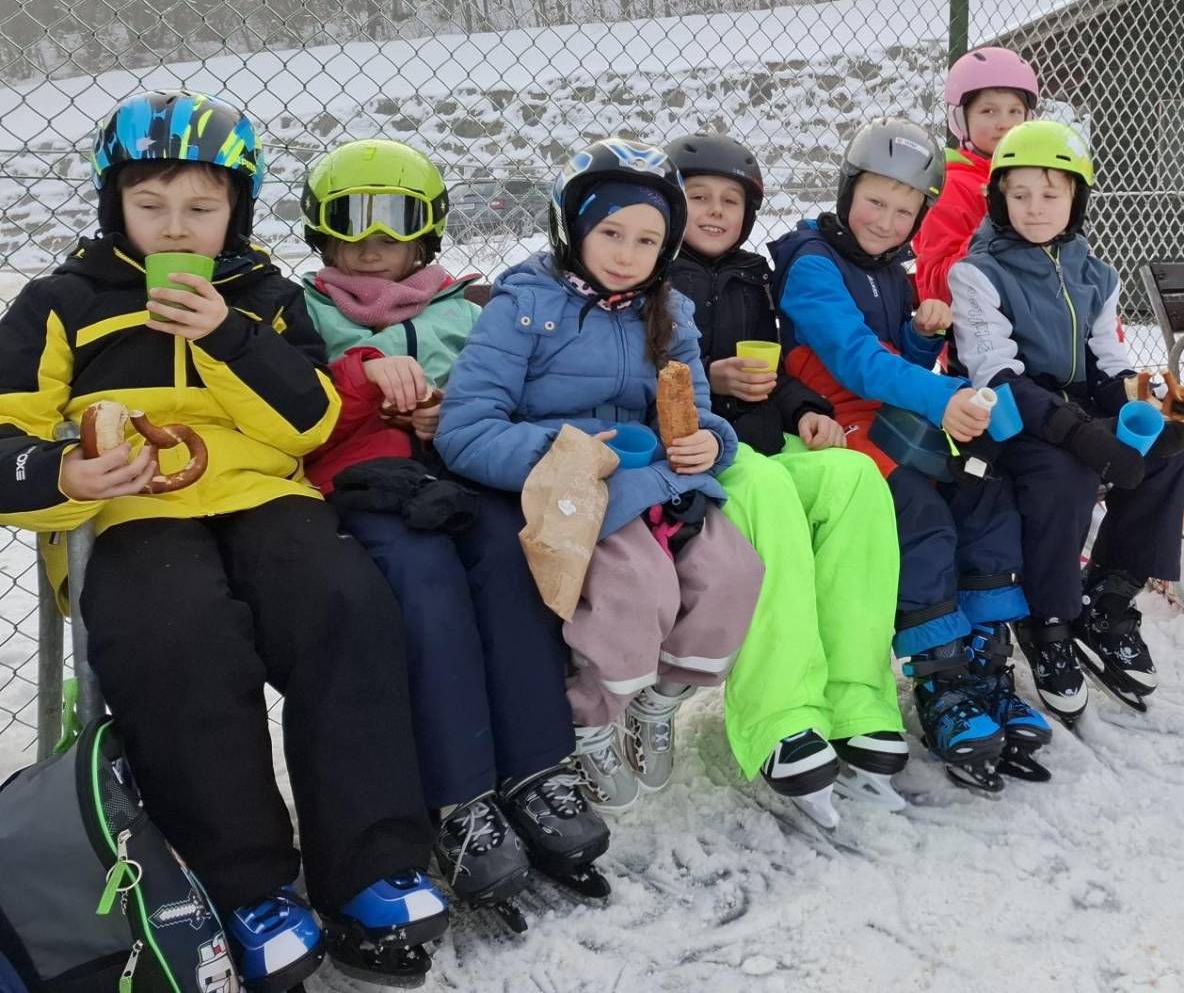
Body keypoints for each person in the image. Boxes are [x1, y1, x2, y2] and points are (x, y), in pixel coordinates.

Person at [0, 90, 445, 992]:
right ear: (114, 204)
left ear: (235, 211)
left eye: (201, 208)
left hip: (260, 495)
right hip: (130, 512)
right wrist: (65, 474)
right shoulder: (61, 302)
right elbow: (5, 435)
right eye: (151, 204)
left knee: (344, 605)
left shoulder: (265, 300)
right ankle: (244, 886)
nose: (176, 228)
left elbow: (310, 421)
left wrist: (229, 335)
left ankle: (370, 864)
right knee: (178, 637)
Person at [302, 138, 607, 908]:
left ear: (428, 230)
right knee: (426, 582)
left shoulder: (466, 307)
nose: (373, 241)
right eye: (352, 220)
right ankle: (458, 795)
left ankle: (535, 766)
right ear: (320, 229)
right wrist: (366, 394)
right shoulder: (304, 314)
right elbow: (294, 413)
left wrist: (460, 413)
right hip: (370, 485)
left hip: (462, 476)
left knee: (509, 562)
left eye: (396, 220)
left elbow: (512, 390)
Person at [436, 140, 765, 813]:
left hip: (655, 482)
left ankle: (657, 703)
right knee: (636, 589)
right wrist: (564, 452)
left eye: (647, 241)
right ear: (573, 229)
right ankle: (589, 720)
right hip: (572, 490)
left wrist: (709, 442)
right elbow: (465, 430)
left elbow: (696, 411)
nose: (626, 255)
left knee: (734, 573)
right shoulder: (524, 307)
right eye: (611, 233)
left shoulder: (668, 314)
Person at [770, 119, 1029, 794]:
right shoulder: (811, 264)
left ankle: (985, 664)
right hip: (836, 424)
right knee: (919, 512)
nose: (886, 221)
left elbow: (892, 357)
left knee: (983, 489)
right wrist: (944, 394)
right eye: (875, 202)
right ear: (847, 192)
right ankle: (939, 678)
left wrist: (918, 336)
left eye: (904, 211)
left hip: (893, 414)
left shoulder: (889, 268)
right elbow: (854, 362)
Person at [665, 131, 909, 823]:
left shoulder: (752, 277)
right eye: (698, 197)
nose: (715, 211)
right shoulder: (652, 272)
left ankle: (856, 698)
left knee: (854, 479)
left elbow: (774, 371)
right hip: (694, 453)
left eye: (730, 201)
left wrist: (806, 410)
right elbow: (629, 370)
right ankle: (781, 716)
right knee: (769, 492)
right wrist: (708, 379)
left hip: (761, 438)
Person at [949, 118, 1184, 725]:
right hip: (1011, 421)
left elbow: (1107, 360)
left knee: (1171, 447)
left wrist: (1141, 398)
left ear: (1075, 200)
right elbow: (995, 374)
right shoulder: (978, 272)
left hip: (1076, 409)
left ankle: (1109, 595)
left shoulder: (1095, 273)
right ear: (1000, 199)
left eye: (1050, 194)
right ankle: (1049, 619)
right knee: (1065, 473)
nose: (1035, 208)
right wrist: (1081, 435)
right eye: (1020, 194)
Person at [913, 47, 1039, 303]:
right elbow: (935, 287)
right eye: (989, 111)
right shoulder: (950, 187)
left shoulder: (1039, 179)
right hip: (979, 320)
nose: (1004, 124)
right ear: (961, 118)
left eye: (1015, 111)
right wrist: (996, 228)